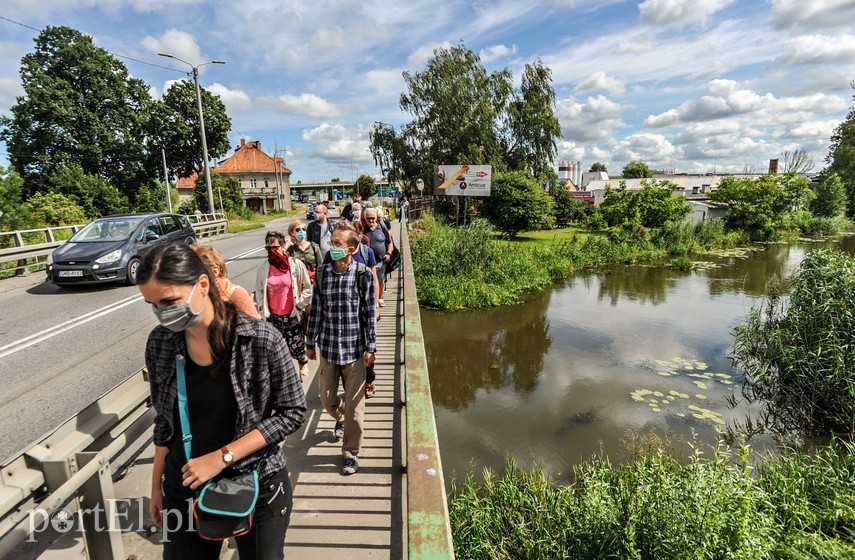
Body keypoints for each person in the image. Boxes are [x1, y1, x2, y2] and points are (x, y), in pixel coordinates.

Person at [138, 243, 306, 559]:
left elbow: (293, 411)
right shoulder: (160, 343)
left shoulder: (260, 340)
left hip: (257, 483)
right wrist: (156, 486)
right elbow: (165, 422)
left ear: (203, 284)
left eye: (170, 301)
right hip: (185, 487)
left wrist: (222, 457)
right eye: (153, 305)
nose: (162, 314)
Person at [305, 227, 376, 475]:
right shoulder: (323, 274)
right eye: (331, 241)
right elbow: (317, 310)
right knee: (327, 399)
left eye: (337, 242)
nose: (332, 245)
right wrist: (309, 341)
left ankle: (350, 453)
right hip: (329, 349)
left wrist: (371, 347)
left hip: (355, 350)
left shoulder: (362, 274)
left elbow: (369, 314)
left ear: (352, 248)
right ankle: (340, 418)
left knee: (356, 410)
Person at [255, 231, 313, 381]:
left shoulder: (295, 264)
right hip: (273, 316)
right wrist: (262, 309)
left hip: (292, 314)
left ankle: (303, 362)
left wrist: (300, 305)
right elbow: (259, 290)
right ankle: (284, 376)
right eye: (267, 248)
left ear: (282, 246)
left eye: (274, 247)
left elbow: (307, 287)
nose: (271, 251)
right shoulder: (263, 268)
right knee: (276, 349)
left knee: (297, 345)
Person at [193, 244, 260, 319]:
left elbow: (257, 328)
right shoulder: (199, 296)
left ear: (214, 271)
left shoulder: (236, 295)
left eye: (194, 271)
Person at [363, 208, 393, 309]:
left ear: (376, 217)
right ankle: (370, 298)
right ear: (365, 218)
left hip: (380, 261)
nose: (371, 220)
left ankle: (379, 298)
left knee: (380, 280)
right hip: (367, 262)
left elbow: (389, 243)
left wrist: (388, 253)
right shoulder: (362, 230)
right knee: (367, 281)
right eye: (368, 218)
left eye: (373, 218)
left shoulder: (382, 228)